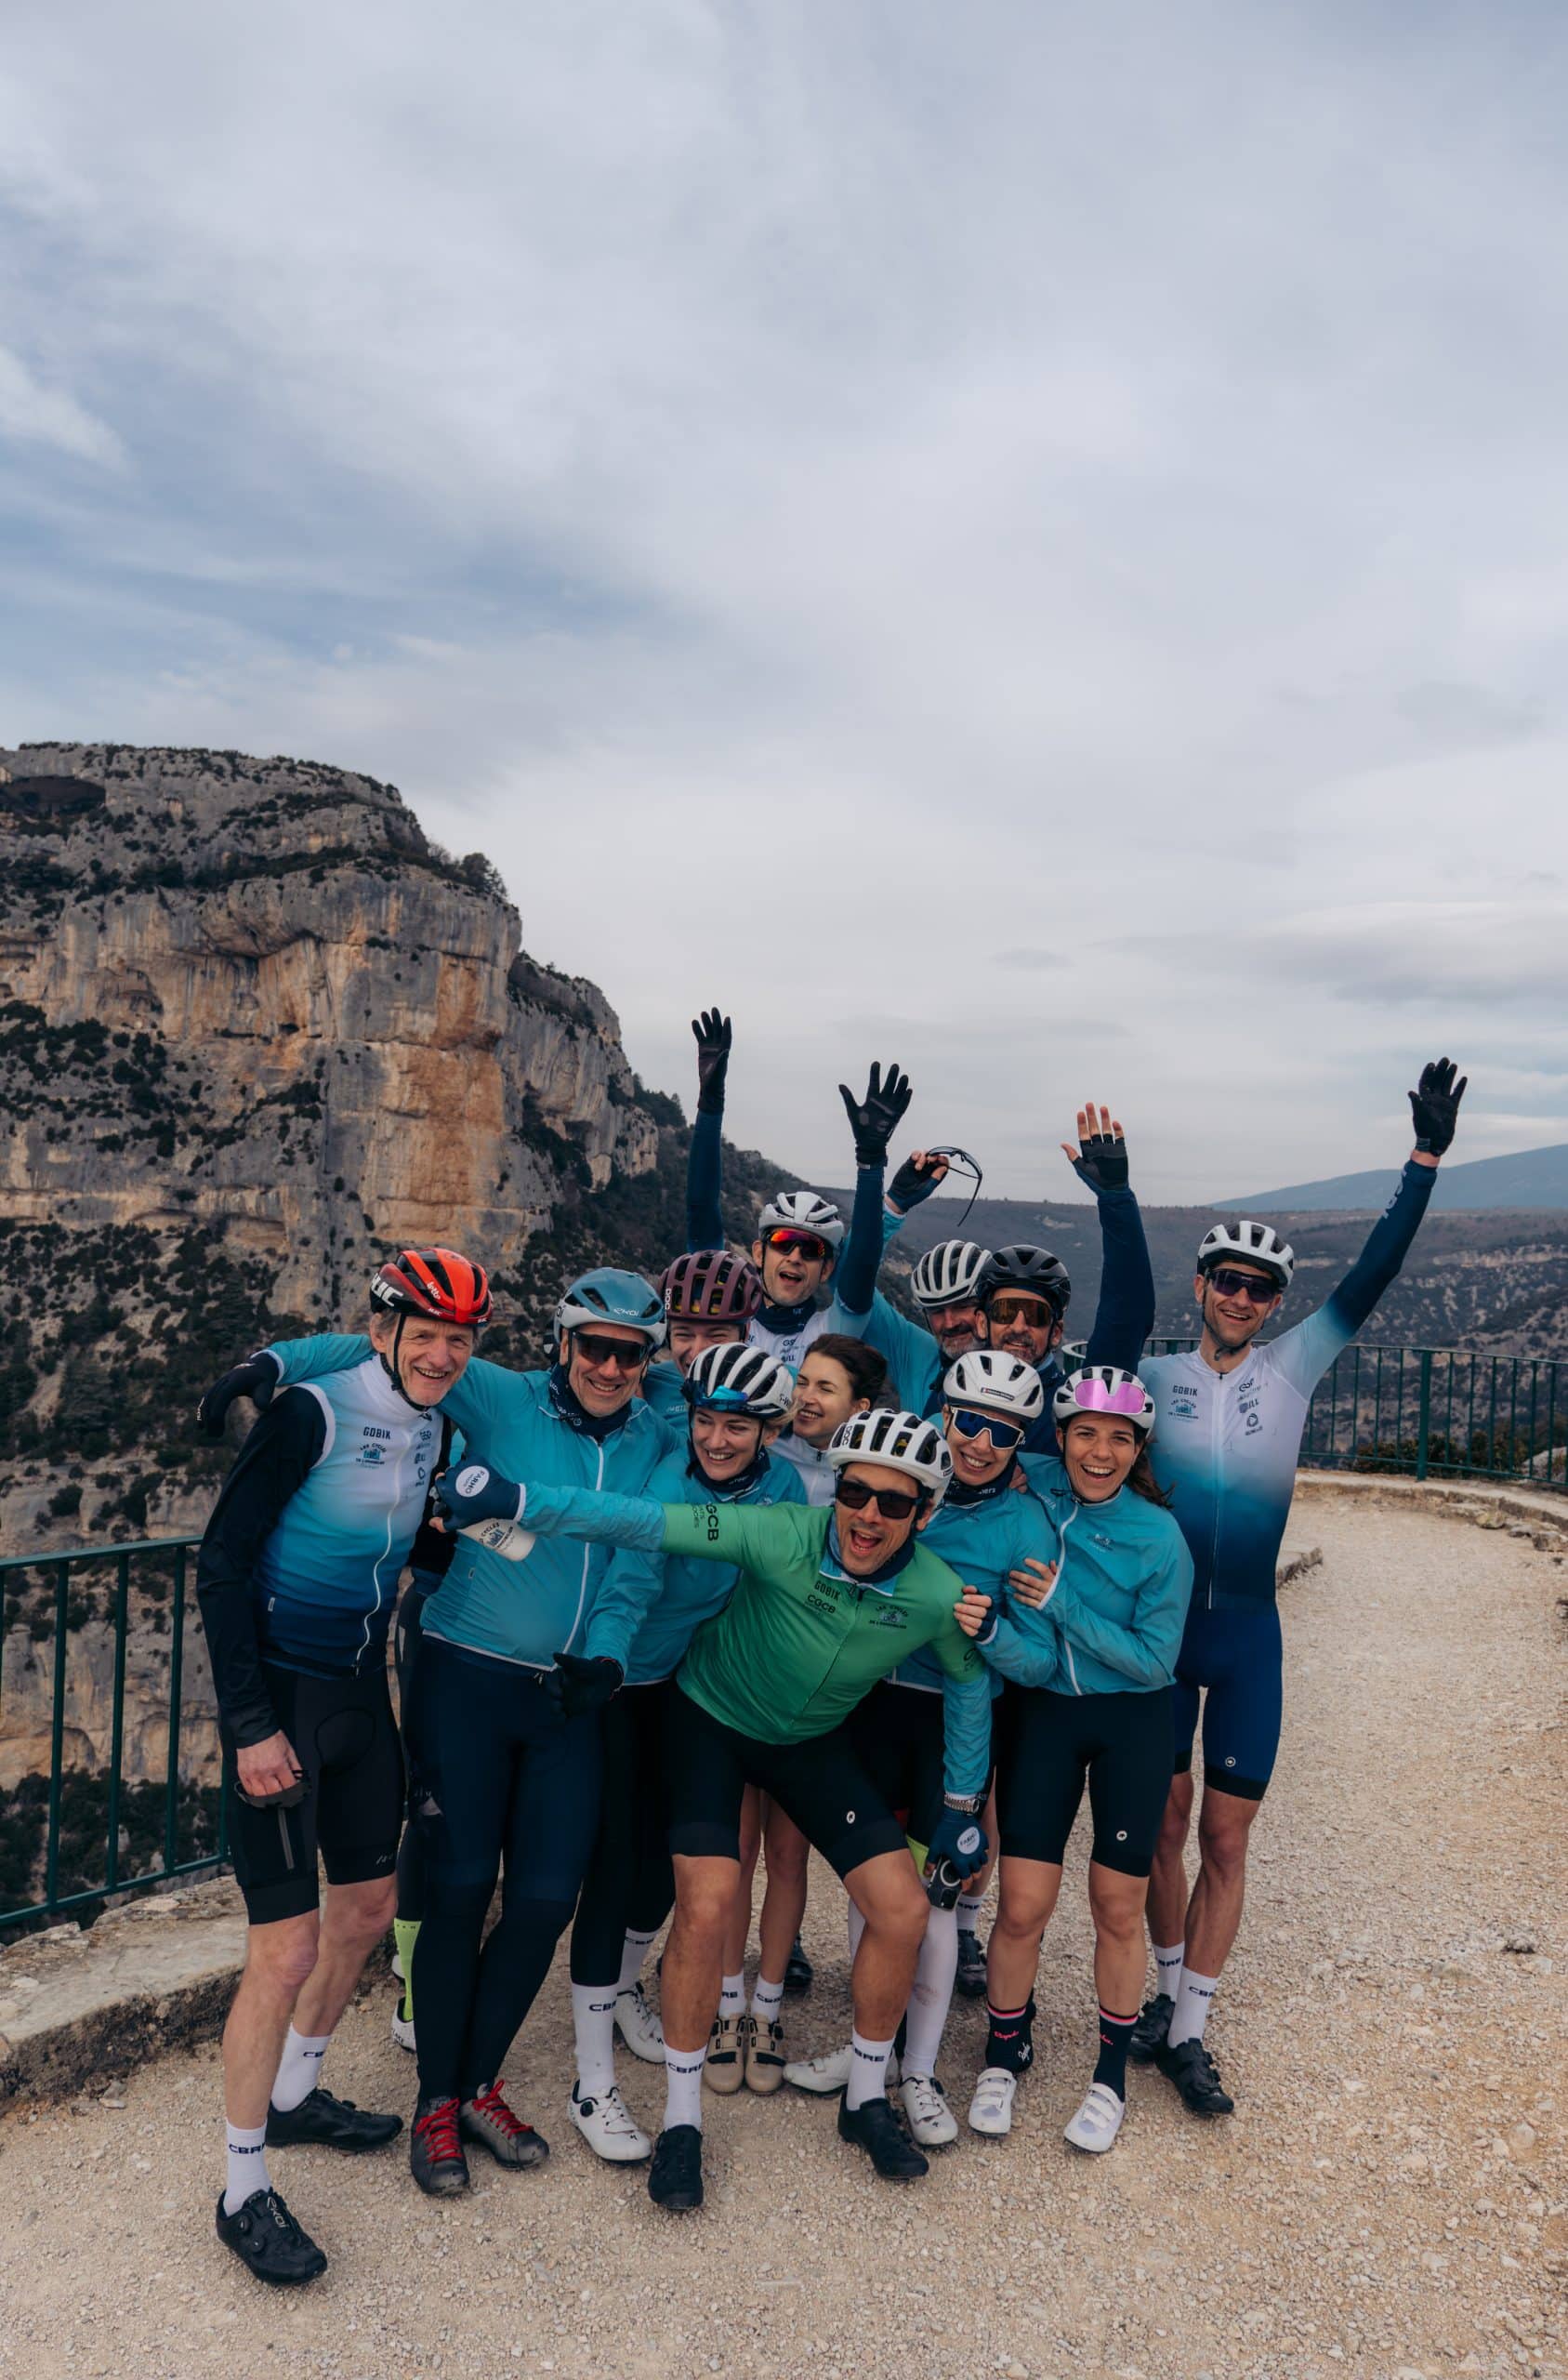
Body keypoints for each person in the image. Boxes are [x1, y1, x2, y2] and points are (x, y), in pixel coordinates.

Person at [433, 1407, 993, 2209]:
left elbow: (969, 1682)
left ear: (924, 1513)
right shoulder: (778, 1532)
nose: (868, 1515)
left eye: (894, 1503)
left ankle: (867, 2098)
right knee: (705, 1904)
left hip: (808, 1742)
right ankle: (682, 2120)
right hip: (711, 1724)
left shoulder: (934, 1592)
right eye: (854, 1492)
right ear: (835, 1490)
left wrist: (961, 1802)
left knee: (902, 1911)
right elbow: (639, 1520)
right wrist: (518, 1500)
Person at [227, 1264, 672, 2193]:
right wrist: (275, 1361)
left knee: (544, 1901)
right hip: (465, 1674)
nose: (609, 1366)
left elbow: (636, 1562)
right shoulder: (501, 1395)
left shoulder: (655, 1442)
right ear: (564, 1342)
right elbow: (391, 1351)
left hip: (568, 1695)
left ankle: (478, 2084)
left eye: (630, 1355)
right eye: (595, 1346)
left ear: (646, 1363)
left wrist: (608, 1656)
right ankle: (437, 2099)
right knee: (462, 1887)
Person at [1130, 1058, 1468, 2118]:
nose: (1240, 1297)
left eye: (1258, 1287)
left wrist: (1421, 1162)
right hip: (1160, 1634)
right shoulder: (1151, 1381)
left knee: (1225, 1838)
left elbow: (1371, 1275)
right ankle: (1163, 1994)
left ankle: (1191, 2027)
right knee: (1161, 1828)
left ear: (1275, 1302)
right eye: (1225, 1280)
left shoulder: (1294, 1368)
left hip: (1246, 1636)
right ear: (1199, 1287)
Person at [195, 1248, 490, 2284]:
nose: (443, 1354)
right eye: (427, 1333)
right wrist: (248, 1725)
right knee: (283, 1952)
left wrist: (469, 1541)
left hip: (362, 1697)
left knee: (367, 1912)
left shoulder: (438, 1428)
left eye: (460, 1339)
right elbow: (221, 1565)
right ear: (383, 1330)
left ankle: (294, 2094)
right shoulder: (311, 1413)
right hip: (282, 1702)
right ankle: (241, 2190)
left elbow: (409, 1551)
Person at [784, 1350, 1058, 2149]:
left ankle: (921, 2070)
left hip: (950, 1726)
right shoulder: (901, 1480)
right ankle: (871, 2045)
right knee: (870, 1892)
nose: (979, 1442)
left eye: (1002, 1433)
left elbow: (1037, 1663)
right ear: (944, 1414)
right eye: (968, 1421)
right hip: (868, 1709)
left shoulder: (1024, 1525)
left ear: (1019, 1442)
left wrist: (993, 1632)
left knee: (934, 1904)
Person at [549, 1341, 803, 2161]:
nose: (716, 1440)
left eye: (737, 1426)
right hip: (621, 1681)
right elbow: (628, 1588)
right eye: (703, 1421)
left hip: (696, 1692)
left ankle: (626, 1989)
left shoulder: (786, 1488)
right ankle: (592, 2083)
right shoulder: (668, 1484)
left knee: (671, 1866)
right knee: (615, 1865)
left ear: (769, 1432)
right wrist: (607, 1662)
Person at [954, 1366, 1192, 2153]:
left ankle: (1110, 2076)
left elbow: (1153, 1662)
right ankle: (1002, 2053)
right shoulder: (1039, 1488)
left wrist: (1064, 1606)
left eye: (1119, 1439)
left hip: (1132, 1721)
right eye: (1084, 1433)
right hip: (1045, 1716)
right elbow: (981, 1453)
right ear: (1058, 1439)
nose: (1099, 1452)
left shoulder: (1159, 1537)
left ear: (1138, 1450)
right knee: (1022, 1906)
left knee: (1116, 1908)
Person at [685, 1008, 910, 1369]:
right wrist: (710, 1105)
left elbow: (862, 1266)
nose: (794, 1256)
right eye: (782, 1242)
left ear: (826, 1269)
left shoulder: (831, 1333)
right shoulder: (722, 1316)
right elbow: (701, 1211)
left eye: (811, 1249)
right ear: (758, 1253)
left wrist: (871, 1161)